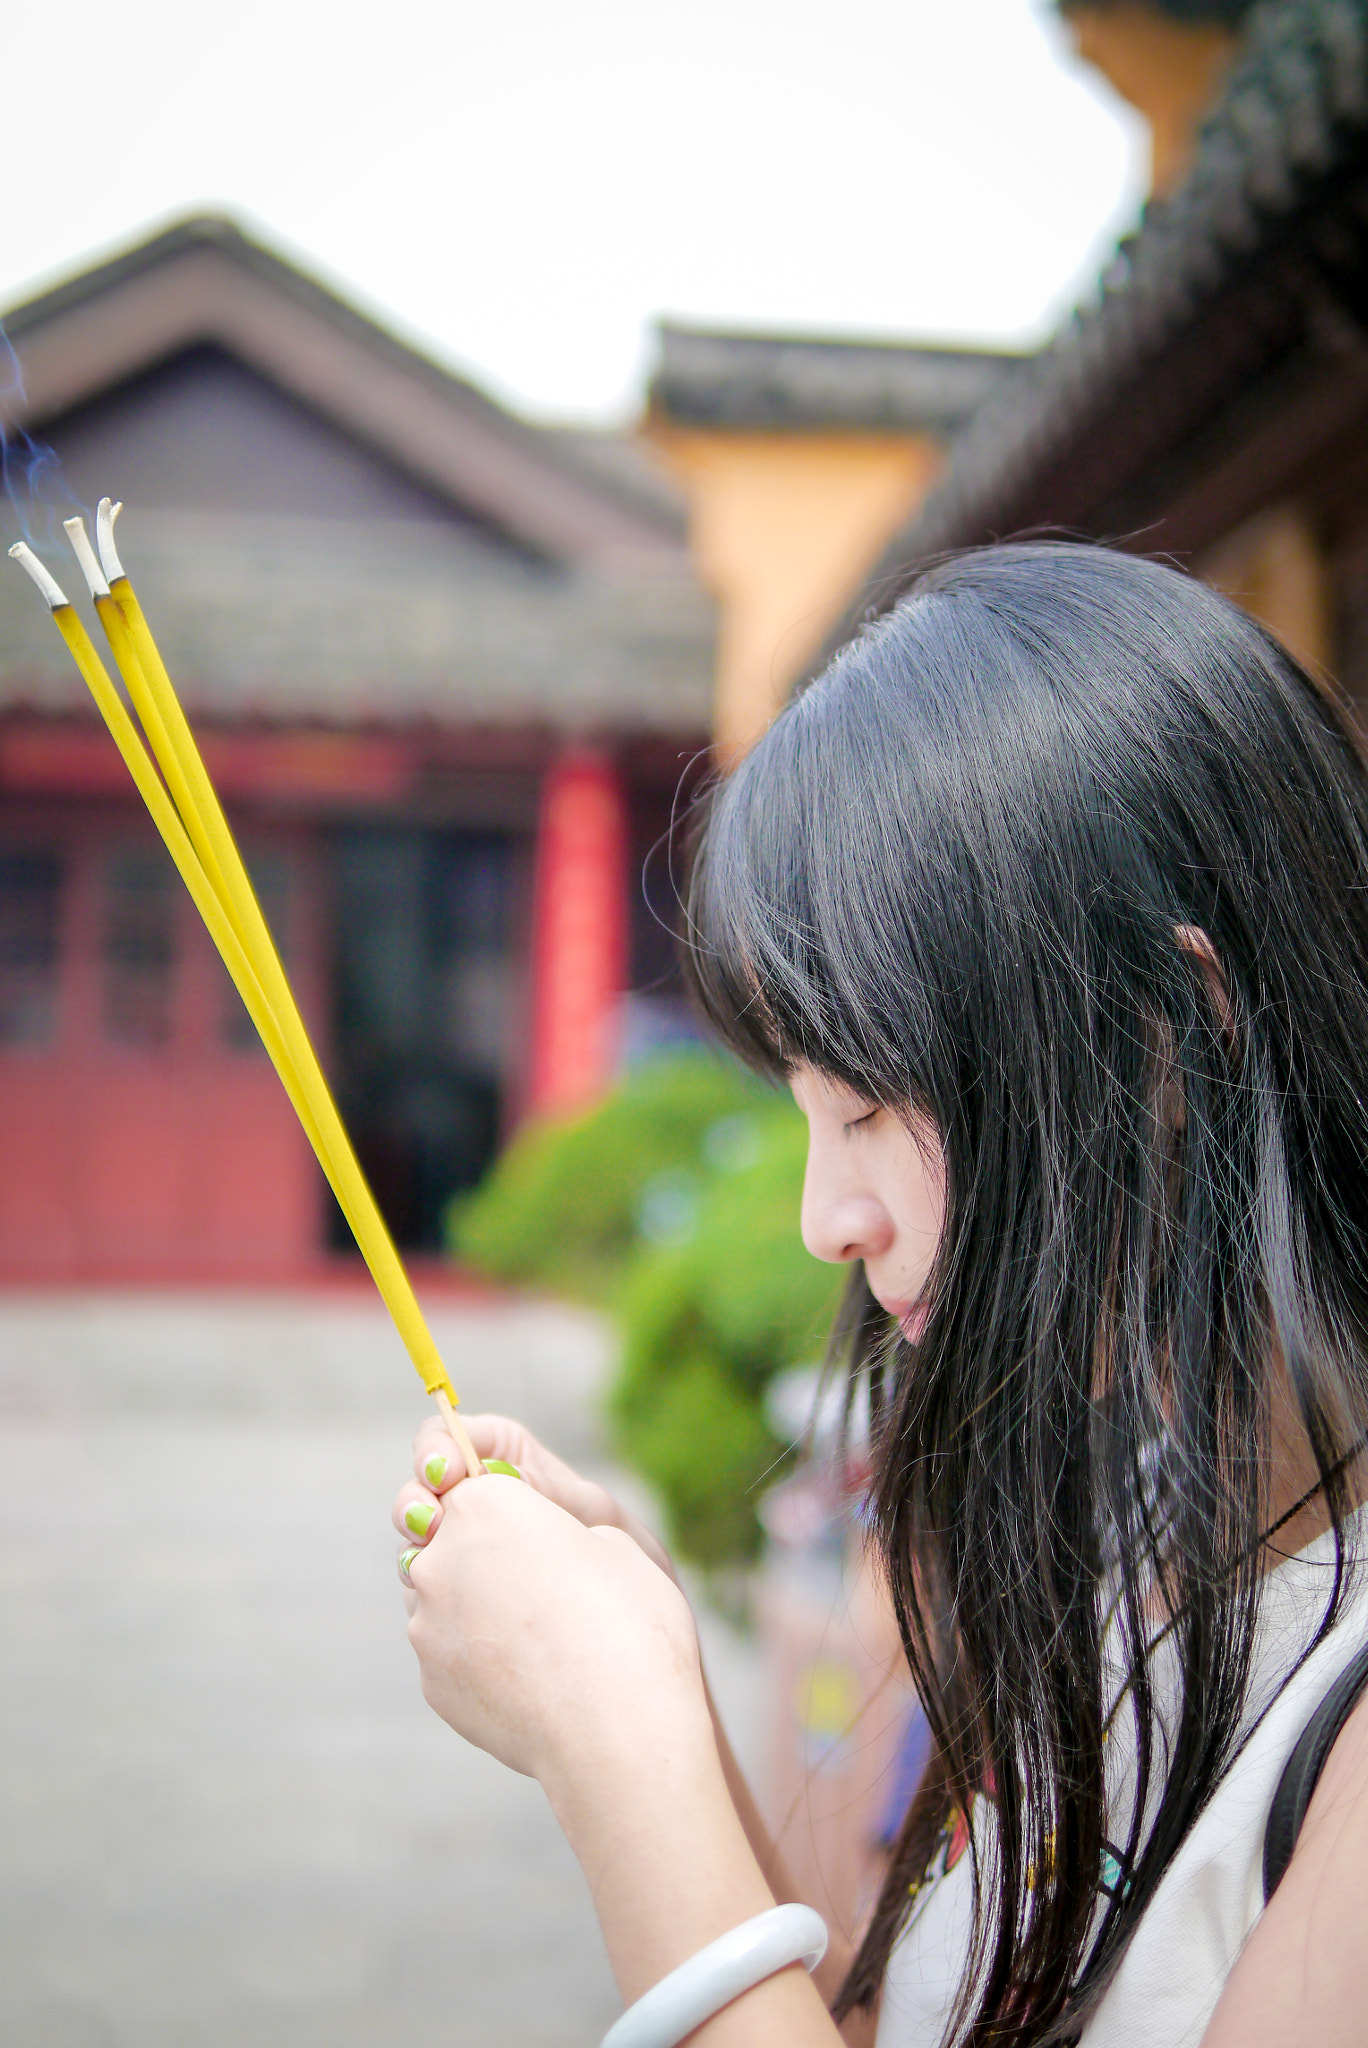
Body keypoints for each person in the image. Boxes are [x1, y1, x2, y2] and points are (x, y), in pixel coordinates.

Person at [391, 543, 1368, 2047]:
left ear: (1170, 1042)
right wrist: (657, 1688)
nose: (821, 1221)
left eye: (868, 1103)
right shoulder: (1121, 1513)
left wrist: (619, 1760)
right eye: (805, 1108)